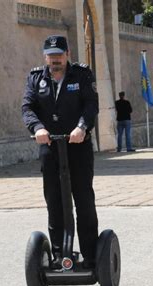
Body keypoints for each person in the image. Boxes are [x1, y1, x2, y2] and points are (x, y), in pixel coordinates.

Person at [22, 35, 99, 269]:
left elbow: (91, 105)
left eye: (59, 55)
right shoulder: (36, 78)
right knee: (54, 200)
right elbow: (27, 107)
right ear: (45, 56)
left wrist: (81, 127)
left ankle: (91, 256)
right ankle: (58, 256)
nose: (55, 60)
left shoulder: (82, 75)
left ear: (67, 54)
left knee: (83, 199)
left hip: (78, 146)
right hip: (50, 147)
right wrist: (37, 128)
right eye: (51, 56)